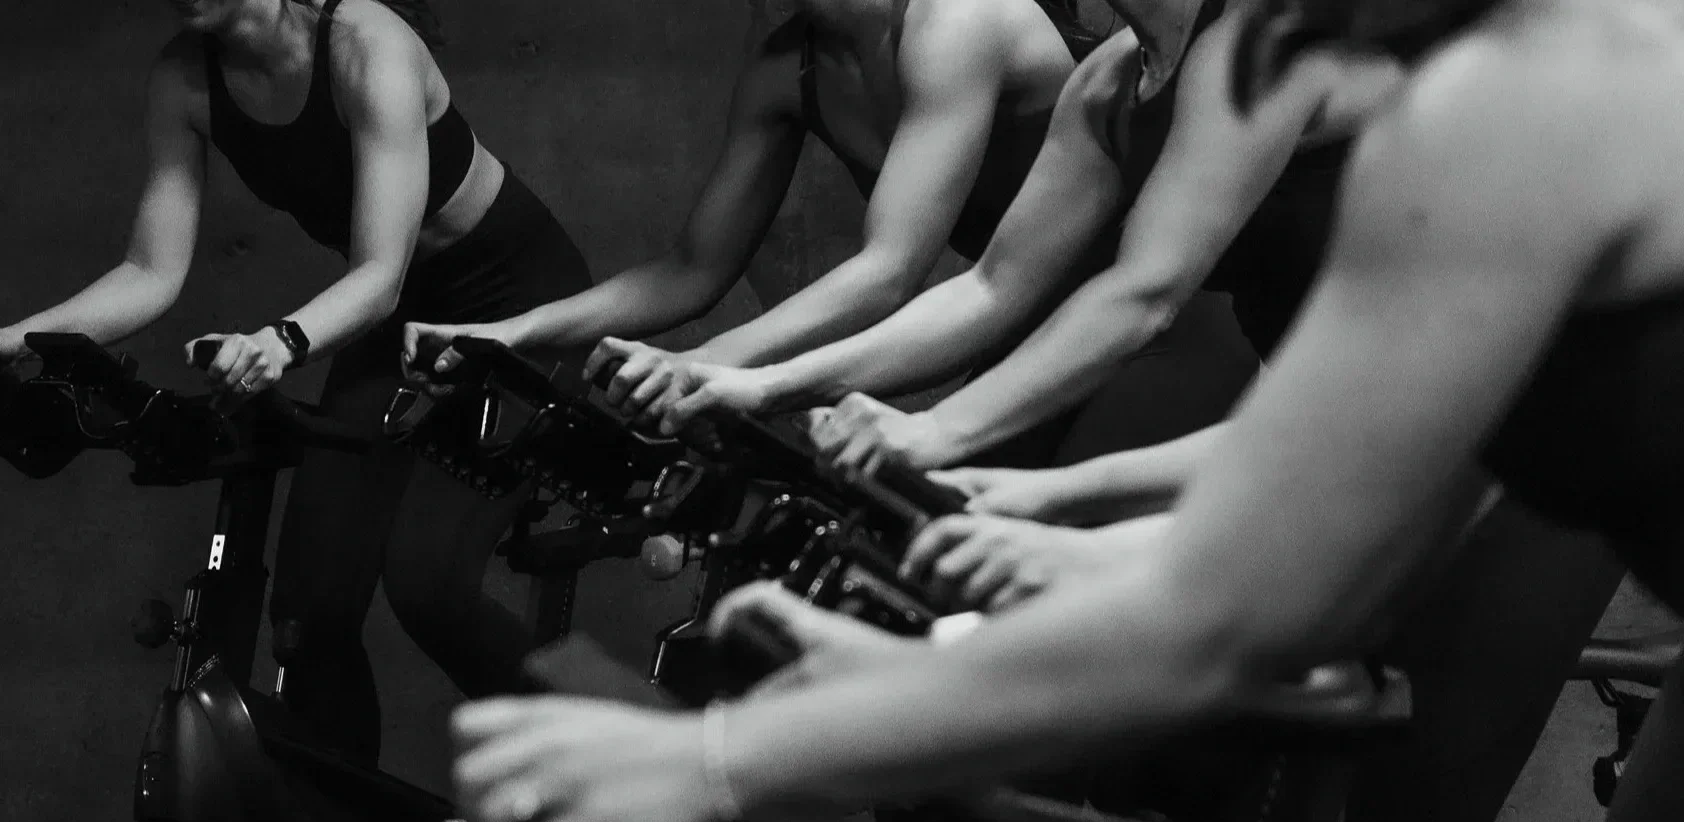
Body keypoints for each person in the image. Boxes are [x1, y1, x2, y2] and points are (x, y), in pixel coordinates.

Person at [445, 0, 1684, 822]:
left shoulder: (1521, 95)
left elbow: (1236, 601)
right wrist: (1086, 545)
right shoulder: (1405, 94)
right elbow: (1396, 462)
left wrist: (721, 761)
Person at [0, 0, 594, 822]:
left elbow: (379, 272)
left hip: (520, 307)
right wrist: (18, 338)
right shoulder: (184, 76)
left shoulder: (366, 43)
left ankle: (610, 766)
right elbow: (151, 271)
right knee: (308, 614)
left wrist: (280, 341)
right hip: (391, 326)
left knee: (429, 583)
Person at [403, 0, 1257, 471]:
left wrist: (710, 368)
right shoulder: (790, 65)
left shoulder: (955, 21)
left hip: (1166, 332)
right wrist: (509, 333)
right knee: (935, 583)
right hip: (1021, 325)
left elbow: (890, 271)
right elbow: (690, 269)